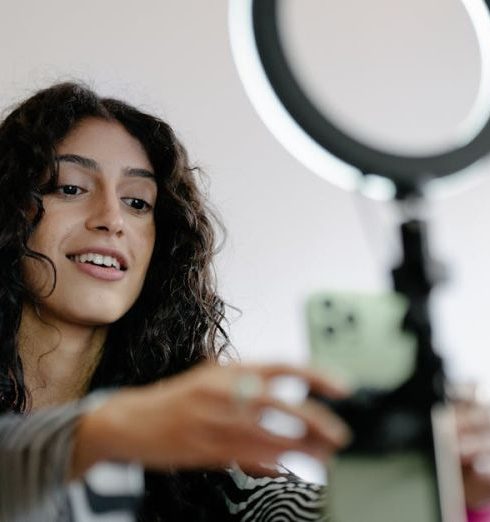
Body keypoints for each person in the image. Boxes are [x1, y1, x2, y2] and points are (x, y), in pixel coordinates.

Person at [0, 82, 352, 521]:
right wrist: (105, 434)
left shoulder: (192, 457)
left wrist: (423, 486)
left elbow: (300, 508)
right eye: (69, 188)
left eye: (137, 202)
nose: (112, 219)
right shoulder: (138, 428)